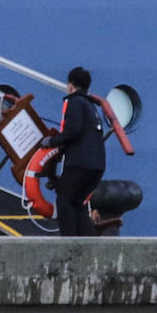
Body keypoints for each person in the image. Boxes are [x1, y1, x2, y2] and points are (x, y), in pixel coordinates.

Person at [39, 66, 105, 237]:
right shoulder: (92, 106)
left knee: (64, 201)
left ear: (70, 85)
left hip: (79, 164)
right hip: (97, 165)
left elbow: (73, 130)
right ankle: (87, 245)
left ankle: (68, 245)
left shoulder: (75, 102)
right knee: (78, 203)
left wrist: (51, 141)